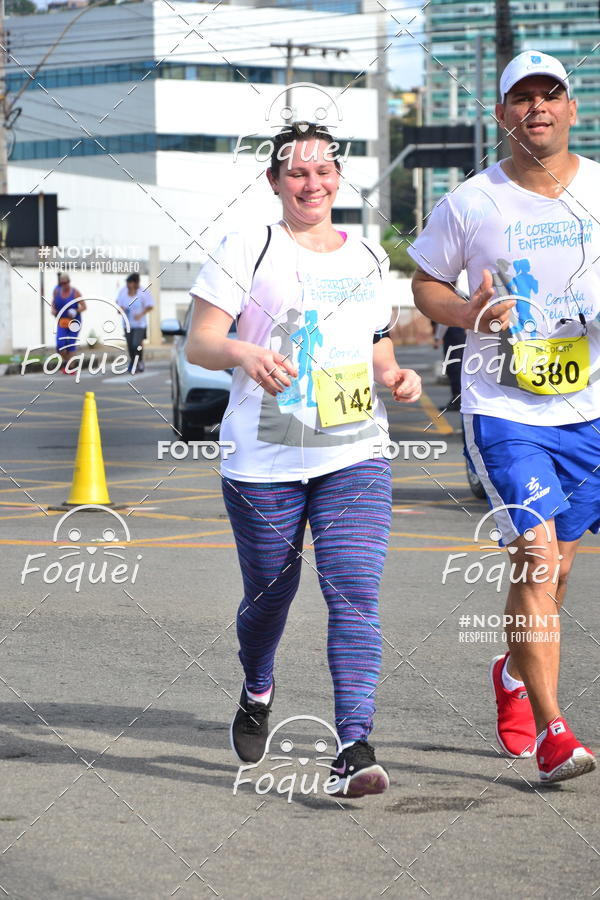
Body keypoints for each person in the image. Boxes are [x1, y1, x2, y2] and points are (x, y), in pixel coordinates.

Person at [186, 122, 422, 797]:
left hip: (354, 453)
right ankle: (257, 684)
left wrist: (398, 378)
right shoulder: (247, 246)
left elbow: (378, 353)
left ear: (338, 178)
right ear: (275, 182)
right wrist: (245, 352)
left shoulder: (370, 257)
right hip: (263, 458)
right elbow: (201, 342)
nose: (311, 183)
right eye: (297, 172)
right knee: (269, 597)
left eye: (323, 171)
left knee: (353, 592)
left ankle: (354, 745)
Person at [409, 50, 599, 783]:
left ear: (572, 109)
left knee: (561, 565)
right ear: (502, 114)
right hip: (504, 407)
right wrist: (469, 312)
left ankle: (515, 673)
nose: (538, 108)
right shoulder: (469, 203)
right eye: (522, 97)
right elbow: (426, 283)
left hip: (589, 409)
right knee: (537, 554)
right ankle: (555, 731)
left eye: (551, 95)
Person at [116, 273, 154, 372]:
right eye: (127, 282)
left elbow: (150, 305)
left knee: (136, 344)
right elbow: (118, 306)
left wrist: (141, 314)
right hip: (127, 324)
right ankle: (134, 362)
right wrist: (121, 310)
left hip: (140, 325)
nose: (128, 285)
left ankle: (139, 361)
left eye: (131, 282)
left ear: (136, 283)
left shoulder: (143, 292)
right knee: (130, 345)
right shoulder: (123, 292)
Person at [51, 273, 86, 373]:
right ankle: (69, 363)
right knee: (60, 345)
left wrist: (76, 311)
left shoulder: (75, 293)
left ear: (69, 282)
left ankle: (71, 368)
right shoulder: (56, 291)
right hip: (62, 322)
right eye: (62, 283)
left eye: (66, 283)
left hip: (74, 322)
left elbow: (84, 306)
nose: (64, 285)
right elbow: (53, 303)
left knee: (71, 344)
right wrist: (53, 310)